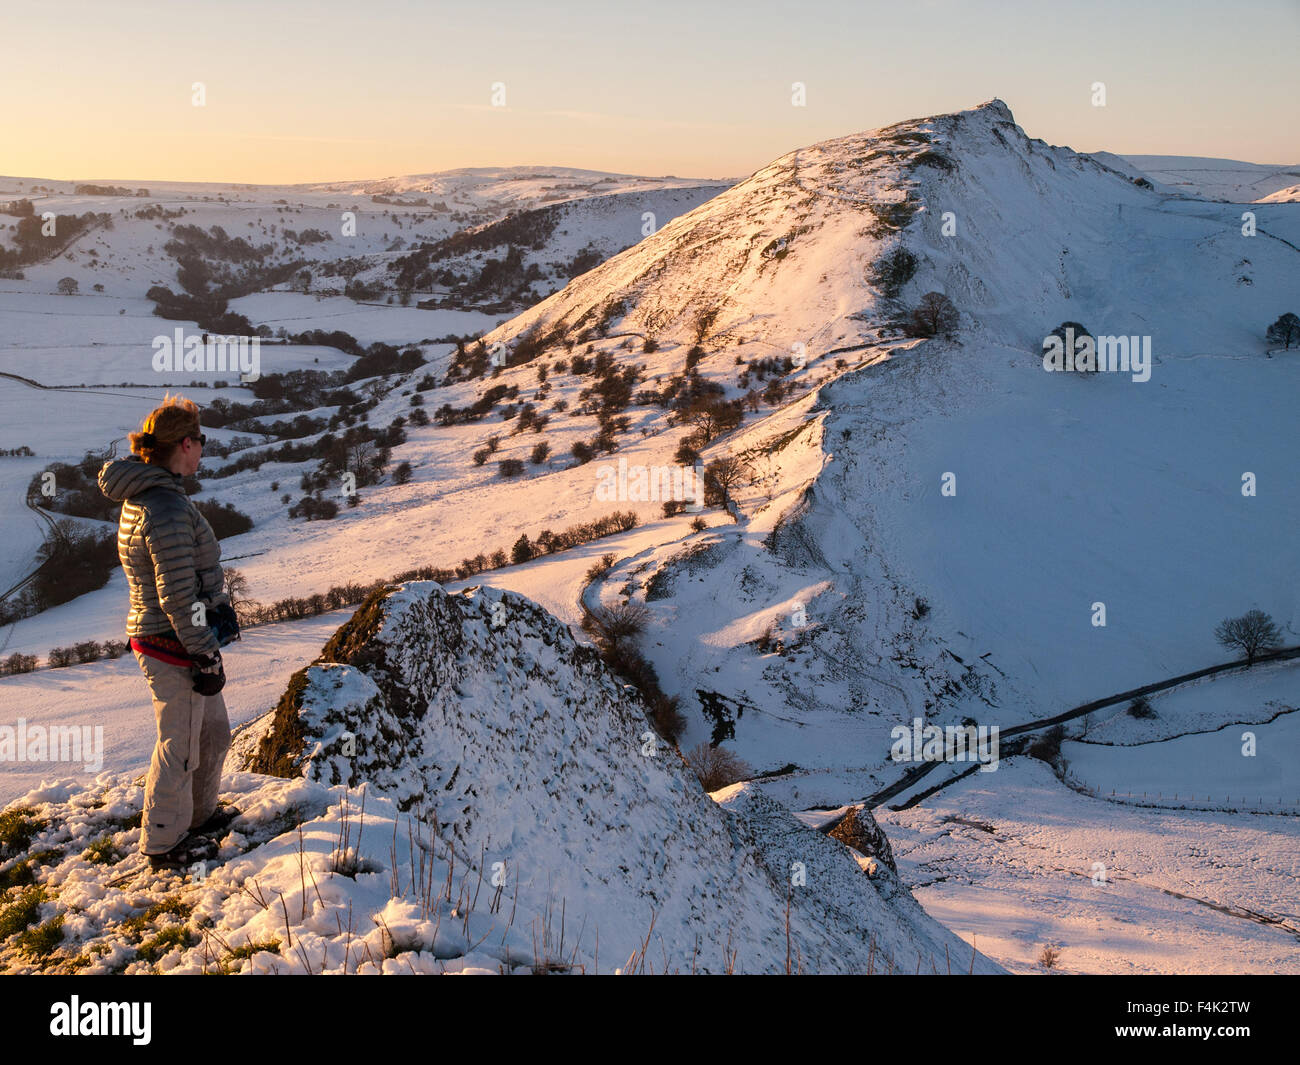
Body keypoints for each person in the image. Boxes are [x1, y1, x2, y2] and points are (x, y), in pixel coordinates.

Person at [98, 394, 240, 870]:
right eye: (201, 440)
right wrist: (203, 654)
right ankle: (164, 842)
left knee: (213, 733)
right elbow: (178, 596)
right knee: (179, 743)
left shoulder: (151, 495)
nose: (203, 449)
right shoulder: (166, 508)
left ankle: (199, 816)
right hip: (173, 642)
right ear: (185, 443)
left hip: (176, 637)